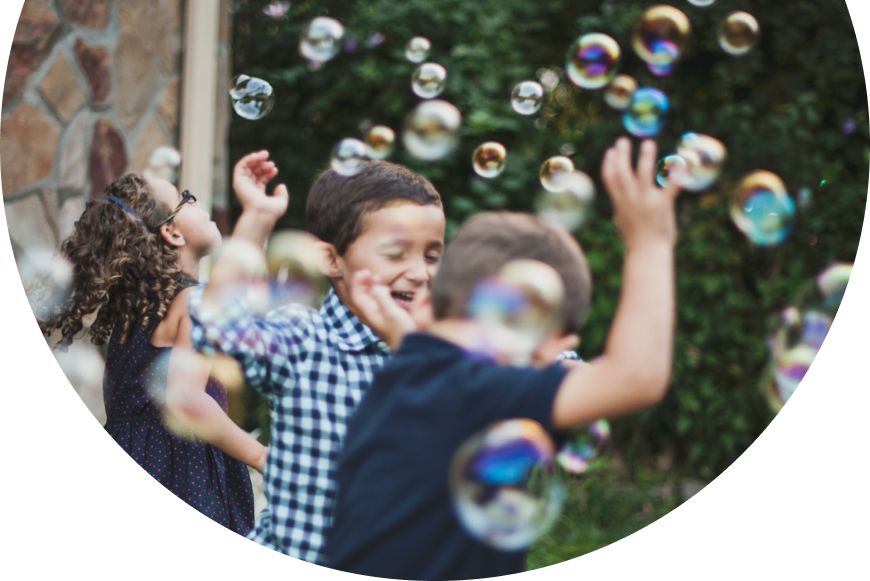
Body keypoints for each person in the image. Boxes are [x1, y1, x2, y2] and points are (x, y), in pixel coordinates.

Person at [323, 137, 680, 580]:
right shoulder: (476, 388)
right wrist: (651, 241)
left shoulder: (407, 372)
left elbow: (420, 346)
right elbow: (637, 378)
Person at [188, 150, 447, 561]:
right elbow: (216, 325)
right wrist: (256, 218)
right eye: (397, 253)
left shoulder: (443, 355)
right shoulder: (306, 339)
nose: (420, 272)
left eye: (432, 255)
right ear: (330, 258)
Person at [36, 172, 262, 534]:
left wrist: (258, 214)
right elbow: (186, 398)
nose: (196, 199)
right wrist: (263, 456)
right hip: (184, 473)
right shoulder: (192, 303)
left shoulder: (139, 312)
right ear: (171, 233)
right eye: (185, 197)